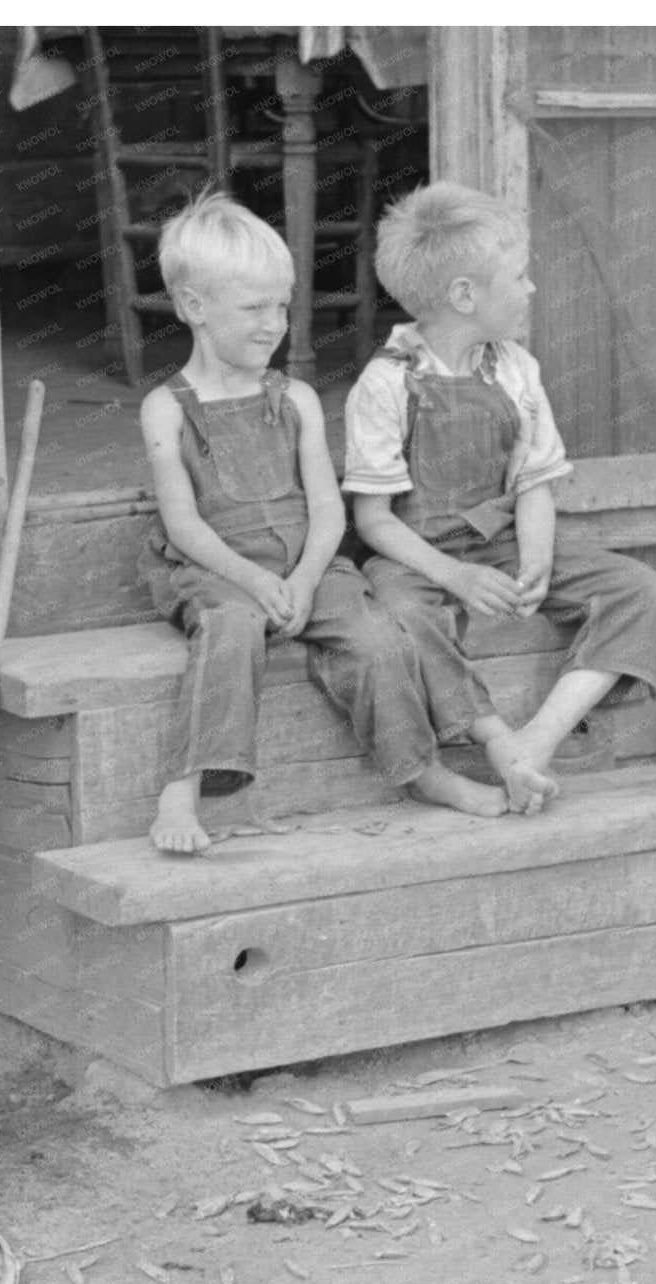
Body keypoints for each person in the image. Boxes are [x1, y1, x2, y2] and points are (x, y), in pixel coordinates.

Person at [139, 192, 508, 854]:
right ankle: (183, 786)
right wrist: (253, 579)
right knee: (229, 628)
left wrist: (307, 580)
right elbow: (184, 525)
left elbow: (329, 507)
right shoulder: (167, 409)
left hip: (308, 561)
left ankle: (421, 769)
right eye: (253, 308)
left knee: (377, 636)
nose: (273, 324)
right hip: (217, 567)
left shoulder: (298, 399)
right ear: (194, 308)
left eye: (281, 307)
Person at [344, 182, 656, 815]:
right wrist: (453, 575)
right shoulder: (385, 384)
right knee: (403, 615)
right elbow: (373, 520)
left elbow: (534, 484)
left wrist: (536, 560)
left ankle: (536, 742)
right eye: (518, 277)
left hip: (501, 542)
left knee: (639, 588)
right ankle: (494, 741)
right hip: (418, 555)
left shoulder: (517, 369)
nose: (531, 289)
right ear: (464, 296)